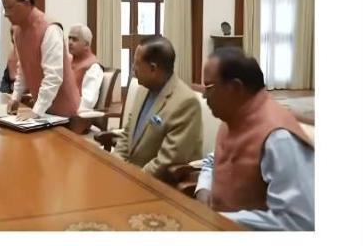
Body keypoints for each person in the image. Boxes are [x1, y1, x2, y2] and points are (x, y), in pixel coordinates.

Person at [195, 47, 314, 230]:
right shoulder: (233, 117)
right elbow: (214, 160)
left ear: (235, 88)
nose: (204, 94)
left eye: (209, 87)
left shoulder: (279, 138)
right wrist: (203, 189)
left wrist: (220, 219)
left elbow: (298, 221)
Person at [111, 35, 203, 182]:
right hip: (131, 176)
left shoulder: (185, 103)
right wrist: (115, 166)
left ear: (153, 68)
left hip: (156, 185)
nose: (133, 68)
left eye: (137, 64)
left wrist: (133, 179)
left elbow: (167, 162)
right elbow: (128, 134)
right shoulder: (143, 89)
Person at [1, 0, 80, 119]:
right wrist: (15, 97)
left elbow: (53, 77)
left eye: (10, 8)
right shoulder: (18, 31)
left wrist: (36, 111)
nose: (6, 14)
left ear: (26, 3)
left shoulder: (50, 28)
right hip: (44, 112)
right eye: (4, 9)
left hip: (65, 115)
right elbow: (23, 68)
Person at [67, 23, 104, 112]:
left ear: (86, 44)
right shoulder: (68, 62)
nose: (70, 42)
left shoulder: (94, 67)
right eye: (69, 38)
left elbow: (88, 102)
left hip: (76, 116)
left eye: (75, 39)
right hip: (59, 114)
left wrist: (64, 107)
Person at [0, 27, 18, 94]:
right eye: (14, 34)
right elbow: (3, 87)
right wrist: (12, 87)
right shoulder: (11, 57)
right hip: (15, 96)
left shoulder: (31, 56)